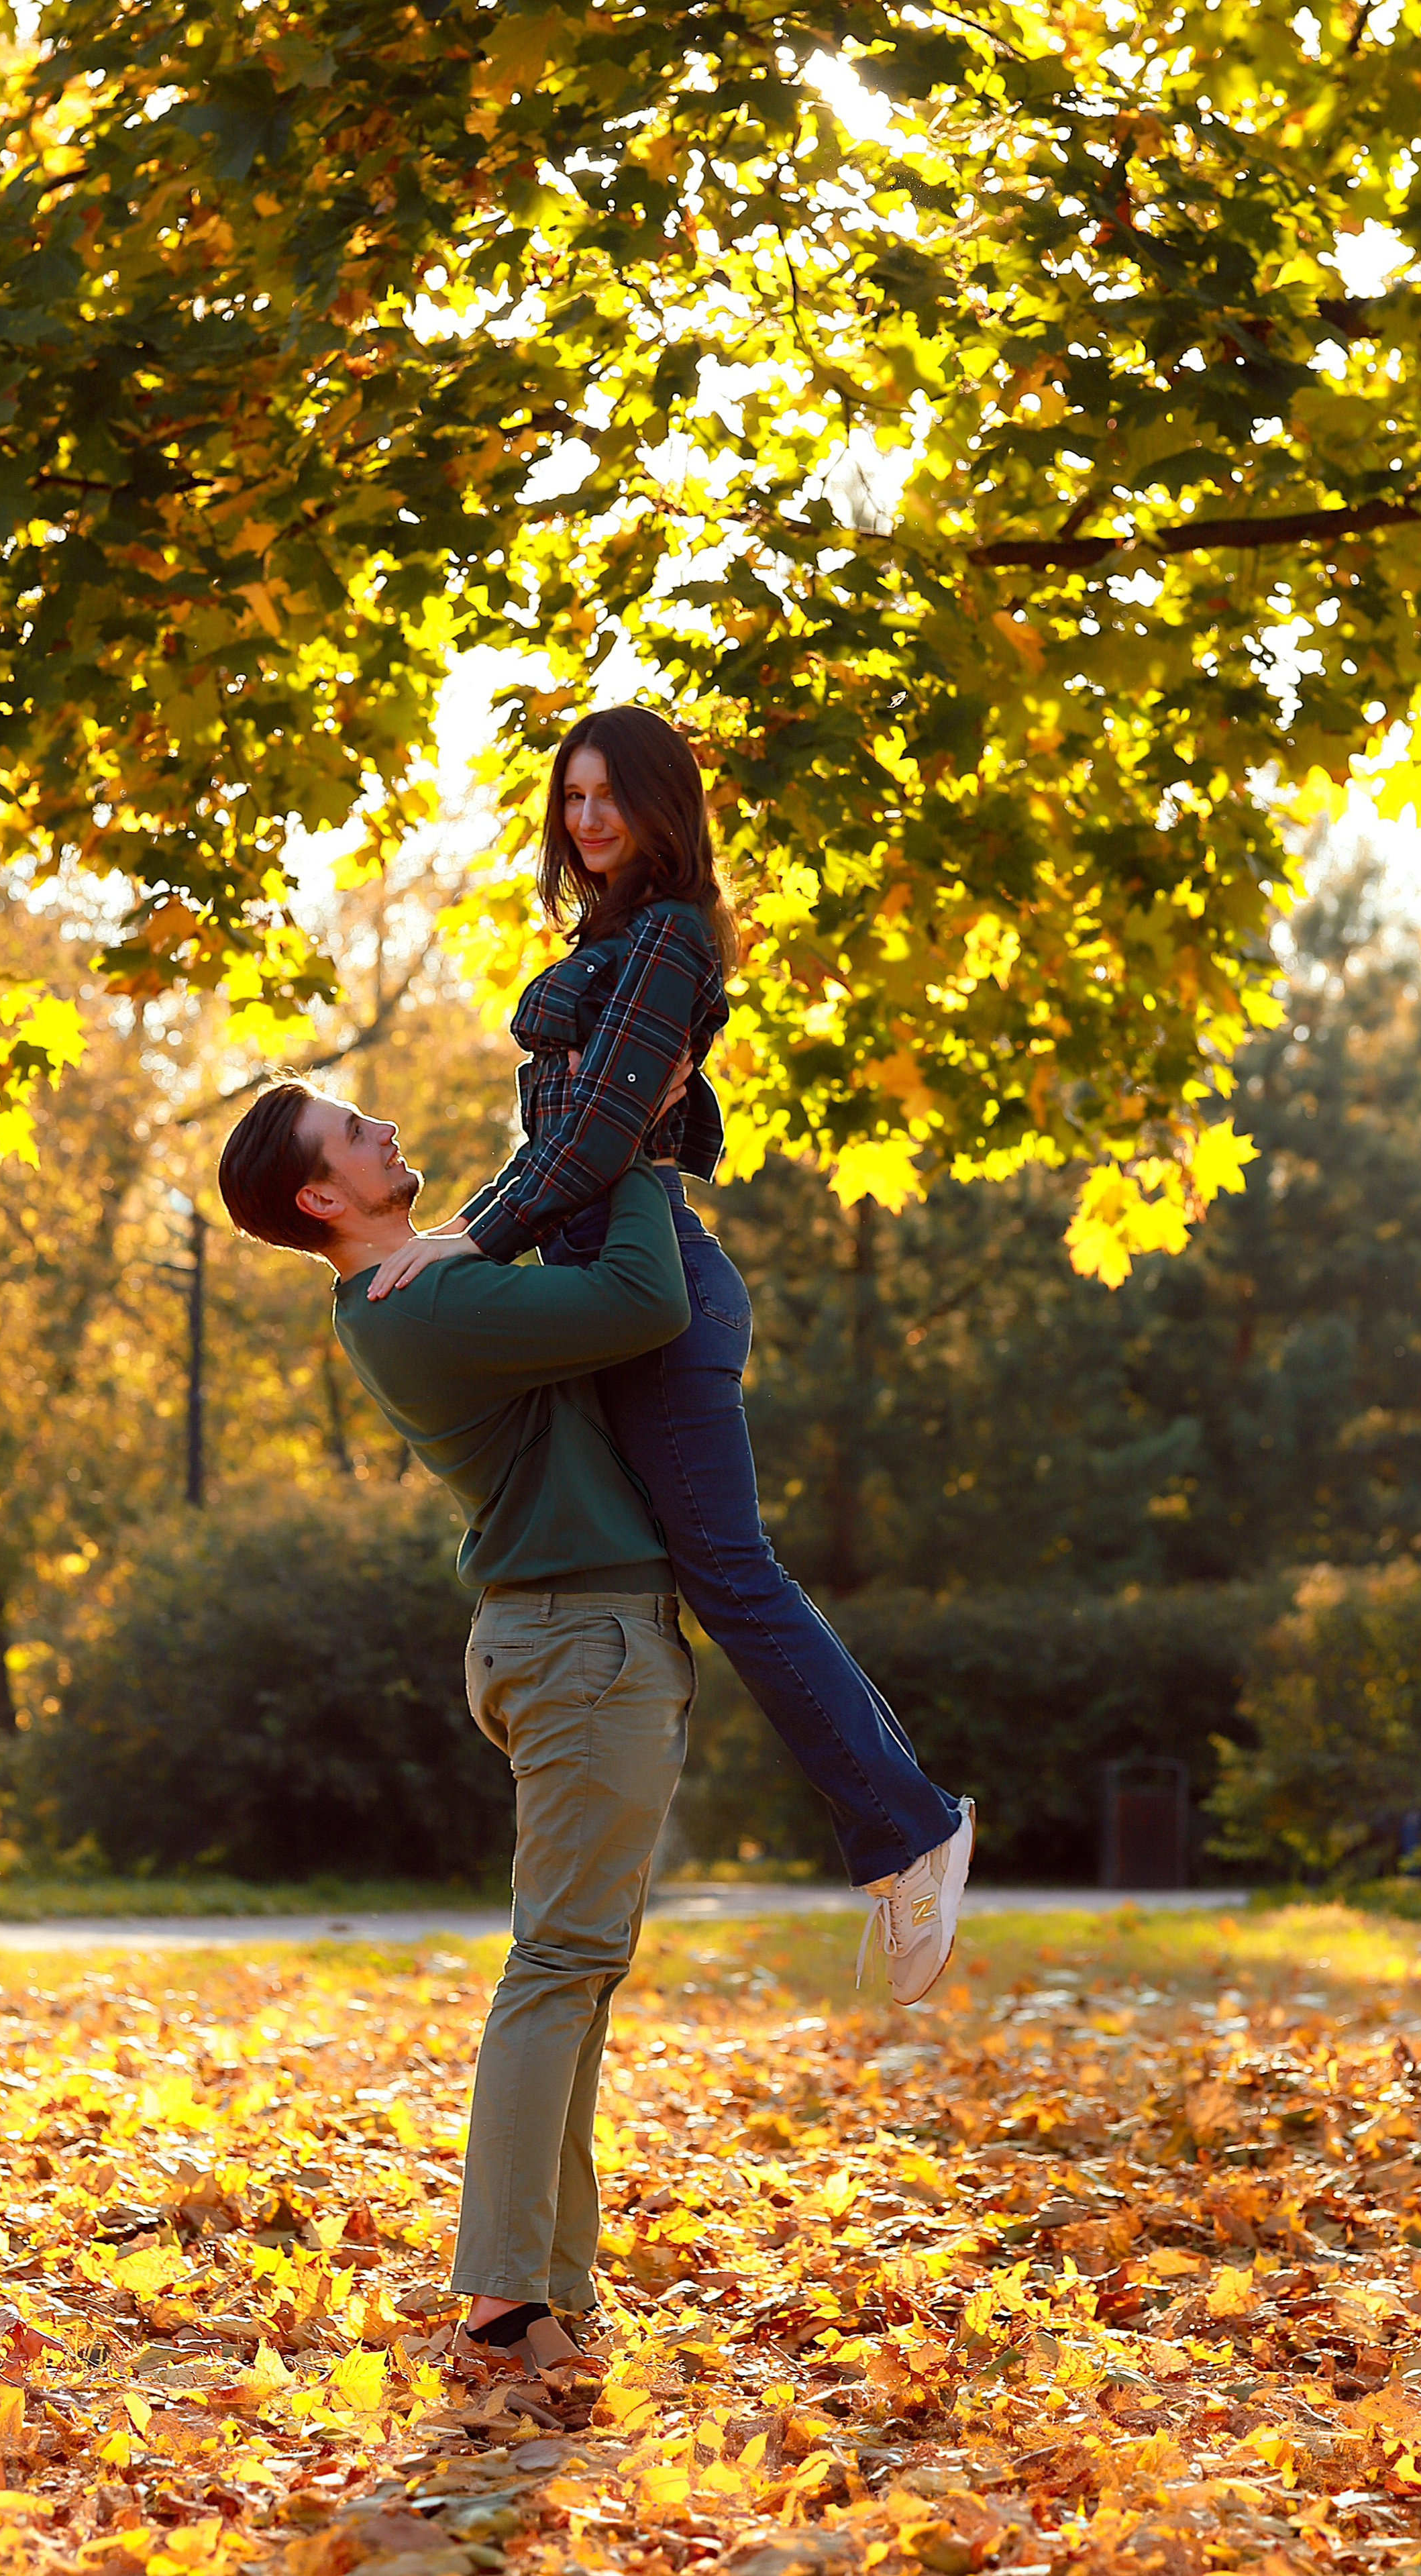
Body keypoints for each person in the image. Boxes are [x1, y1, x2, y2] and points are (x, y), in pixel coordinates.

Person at [360, 704, 975, 2002]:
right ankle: (905, 1827)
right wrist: (478, 1229)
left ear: (660, 806)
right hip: (608, 1272)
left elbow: (594, 1148)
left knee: (733, 1576)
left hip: (658, 1289)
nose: (587, 821)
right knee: (724, 1572)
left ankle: (910, 1830)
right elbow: (571, 1141)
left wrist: (470, 1238)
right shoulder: (612, 941)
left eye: (611, 797)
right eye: (571, 799)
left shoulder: (670, 938)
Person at [217, 1078, 700, 2377]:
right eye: (352, 1132)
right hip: (579, 1643)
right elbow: (647, 1303)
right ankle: (499, 2301)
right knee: (557, 1969)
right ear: (323, 1197)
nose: (383, 1130)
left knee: (576, 1970)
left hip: (567, 1637)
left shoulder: (423, 1287)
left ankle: (549, 2284)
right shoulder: (423, 1302)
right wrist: (643, 1160)